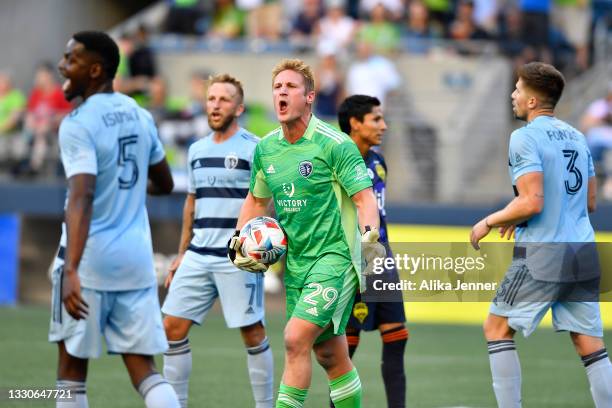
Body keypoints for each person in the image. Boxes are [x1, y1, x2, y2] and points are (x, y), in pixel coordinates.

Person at [227, 58, 384, 408]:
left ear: (309, 96)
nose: (282, 93)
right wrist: (238, 241)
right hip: (297, 264)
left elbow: (363, 198)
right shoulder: (267, 148)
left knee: (295, 338)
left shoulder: (334, 144)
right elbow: (256, 201)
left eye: (291, 87)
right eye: (277, 88)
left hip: (336, 258)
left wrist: (370, 239)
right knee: (329, 354)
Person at [470, 62, 612, 407]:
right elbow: (590, 201)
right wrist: (513, 212)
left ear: (533, 101)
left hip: (544, 252)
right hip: (583, 249)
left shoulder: (524, 136)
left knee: (497, 328)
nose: (513, 95)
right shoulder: (578, 137)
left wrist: (490, 220)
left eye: (518, 89)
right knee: (590, 345)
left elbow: (533, 201)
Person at [49, 31, 179, 407]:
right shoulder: (139, 114)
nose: (62, 65)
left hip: (88, 260)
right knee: (145, 370)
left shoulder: (77, 124)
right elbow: (164, 182)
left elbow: (82, 195)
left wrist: (70, 269)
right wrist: (128, 192)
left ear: (94, 70)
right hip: (136, 260)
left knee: (71, 372)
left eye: (70, 59)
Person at [162, 73, 274, 408]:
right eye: (211, 99)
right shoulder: (195, 150)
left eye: (224, 99)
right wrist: (182, 253)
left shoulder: (256, 148)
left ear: (238, 107)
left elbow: (268, 202)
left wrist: (260, 247)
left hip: (237, 257)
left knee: (252, 334)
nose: (215, 105)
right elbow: (191, 203)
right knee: (171, 329)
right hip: (197, 254)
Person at [335, 94, 408, 408]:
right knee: (344, 348)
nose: (384, 125)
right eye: (376, 119)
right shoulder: (335, 160)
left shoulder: (378, 162)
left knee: (397, 337)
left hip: (382, 258)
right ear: (355, 123)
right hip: (351, 262)